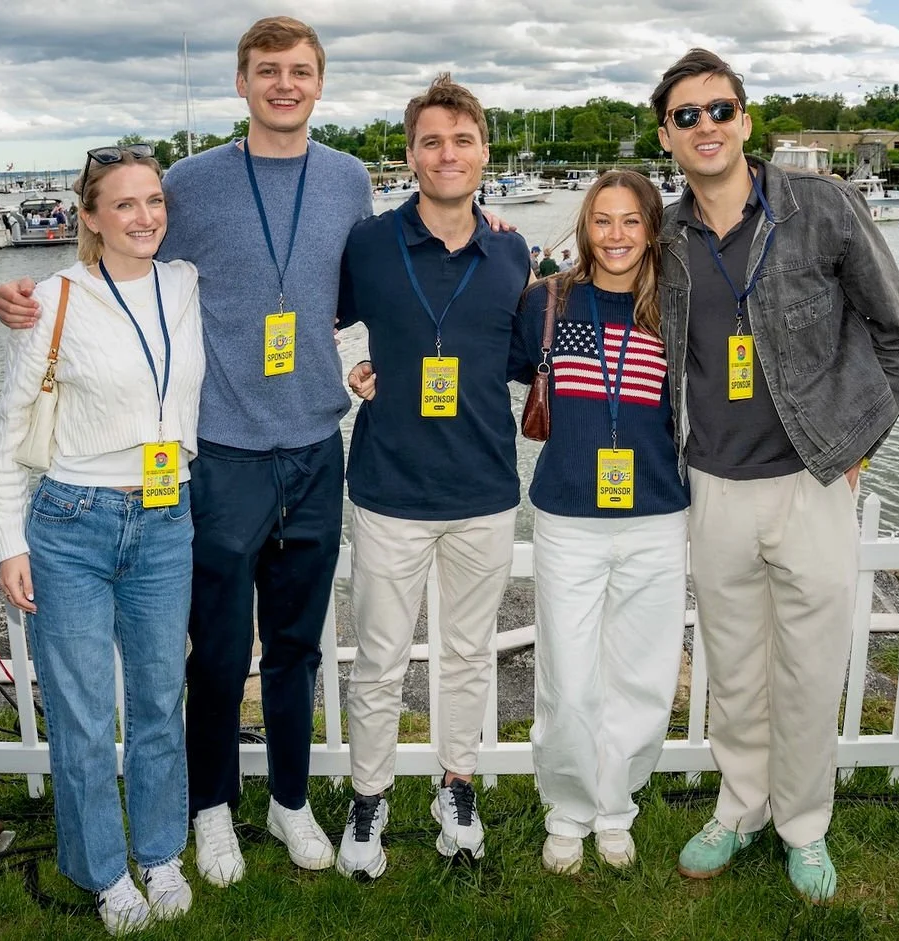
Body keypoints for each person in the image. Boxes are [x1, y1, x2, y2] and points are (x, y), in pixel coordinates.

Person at [0, 16, 374, 887]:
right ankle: (209, 810)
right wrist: (22, 297)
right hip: (221, 456)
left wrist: (481, 229)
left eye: (301, 71)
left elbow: (373, 283)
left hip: (317, 444)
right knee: (212, 649)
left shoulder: (350, 179)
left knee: (297, 646)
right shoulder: (190, 185)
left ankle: (288, 797)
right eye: (268, 70)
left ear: (320, 84)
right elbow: (114, 268)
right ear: (242, 83)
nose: (285, 84)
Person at [651, 48, 899, 901]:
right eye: (687, 115)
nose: (707, 127)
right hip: (713, 484)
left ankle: (805, 824)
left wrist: (858, 449)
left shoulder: (824, 207)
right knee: (734, 666)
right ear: (666, 133)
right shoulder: (663, 233)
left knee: (810, 666)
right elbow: (581, 274)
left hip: (813, 481)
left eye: (720, 109)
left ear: (747, 119)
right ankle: (740, 807)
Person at [0, 144, 204, 935]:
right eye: (124, 204)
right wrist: (9, 540)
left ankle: (159, 852)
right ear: (90, 217)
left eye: (154, 201)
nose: (144, 216)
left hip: (165, 516)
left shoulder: (185, 284)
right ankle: (105, 872)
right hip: (72, 523)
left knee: (157, 700)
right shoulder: (53, 297)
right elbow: (9, 431)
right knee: (81, 716)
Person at [335, 75, 531, 880]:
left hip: (484, 488)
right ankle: (370, 794)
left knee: (468, 652)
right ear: (409, 154)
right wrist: (356, 365)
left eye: (461, 140)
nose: (446, 154)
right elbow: (332, 319)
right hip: (389, 489)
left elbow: (524, 354)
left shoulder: (513, 246)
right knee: (379, 657)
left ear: (484, 152)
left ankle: (457, 781)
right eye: (430, 141)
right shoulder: (371, 243)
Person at [510, 171, 688, 875]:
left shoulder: (672, 311)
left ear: (652, 229)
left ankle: (616, 806)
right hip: (569, 518)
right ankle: (567, 808)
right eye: (602, 221)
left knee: (642, 677)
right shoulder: (547, 301)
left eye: (630, 222)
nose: (615, 236)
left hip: (656, 516)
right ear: (585, 228)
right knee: (570, 676)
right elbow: (481, 364)